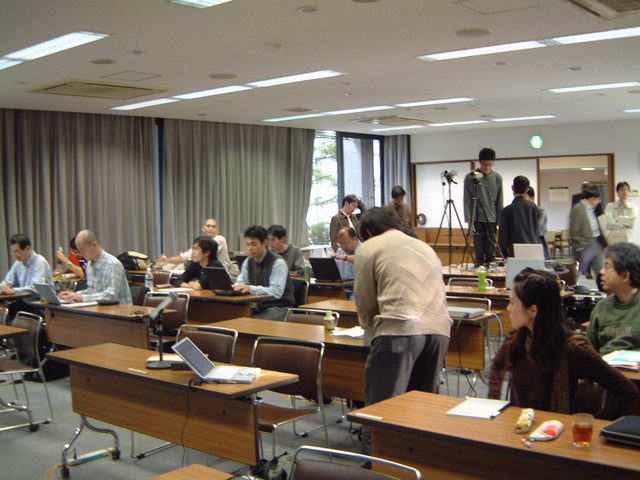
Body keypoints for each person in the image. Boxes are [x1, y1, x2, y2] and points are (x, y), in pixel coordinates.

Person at [355, 207, 452, 452]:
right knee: (422, 410)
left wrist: (369, 331)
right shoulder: (424, 246)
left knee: (379, 412)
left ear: (369, 231)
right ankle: (418, 463)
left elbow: (365, 300)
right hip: (439, 331)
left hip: (399, 331)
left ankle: (375, 465)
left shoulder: (370, 247)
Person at [489, 268, 636, 420]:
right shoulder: (518, 337)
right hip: (520, 425)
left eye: (512, 303)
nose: (508, 308)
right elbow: (497, 367)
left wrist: (594, 425)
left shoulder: (573, 348)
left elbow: (627, 391)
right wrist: (494, 406)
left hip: (555, 428)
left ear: (533, 310)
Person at [586, 243, 640, 354]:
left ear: (625, 276)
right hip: (605, 363)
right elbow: (589, 350)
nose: (601, 272)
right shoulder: (602, 307)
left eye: (607, 267)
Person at [233, 225, 295, 320]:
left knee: (251, 321)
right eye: (247, 244)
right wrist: (235, 287)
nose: (250, 248)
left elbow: (276, 292)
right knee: (233, 315)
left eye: (253, 244)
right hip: (258, 306)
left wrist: (250, 288)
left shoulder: (278, 262)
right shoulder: (248, 261)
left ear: (265, 242)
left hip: (279, 308)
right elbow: (241, 282)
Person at [59, 229, 132, 304]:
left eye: (83, 250)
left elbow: (111, 296)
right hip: (99, 308)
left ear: (94, 244)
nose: (81, 254)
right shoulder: (90, 264)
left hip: (118, 309)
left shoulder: (112, 264)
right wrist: (73, 295)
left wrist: (82, 297)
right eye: (79, 251)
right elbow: (92, 292)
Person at [463, 147, 503, 266]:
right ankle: (479, 268)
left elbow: (499, 200)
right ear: (479, 162)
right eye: (484, 165)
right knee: (479, 253)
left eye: (489, 165)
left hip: (492, 218)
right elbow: (467, 200)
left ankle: (490, 268)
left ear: (493, 162)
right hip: (477, 218)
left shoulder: (497, 178)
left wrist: (499, 220)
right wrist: (469, 220)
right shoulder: (471, 177)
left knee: (491, 252)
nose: (487, 167)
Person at [157, 218, 232, 273]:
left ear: (217, 230)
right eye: (208, 226)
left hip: (221, 273)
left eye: (213, 227)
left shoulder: (220, 239)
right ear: (203, 228)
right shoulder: (200, 241)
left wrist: (169, 260)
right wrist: (168, 260)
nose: (210, 228)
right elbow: (188, 255)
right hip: (205, 272)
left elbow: (191, 255)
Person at [498, 176, 539, 258]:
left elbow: (503, 236)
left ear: (512, 188)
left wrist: (504, 253)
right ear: (527, 190)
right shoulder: (533, 207)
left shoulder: (507, 210)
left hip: (514, 251)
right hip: (532, 248)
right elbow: (536, 228)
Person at [570, 185, 605, 280]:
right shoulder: (579, 208)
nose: (599, 202)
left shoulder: (591, 209)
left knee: (601, 270)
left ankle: (603, 286)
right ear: (592, 198)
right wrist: (581, 244)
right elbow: (574, 230)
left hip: (595, 243)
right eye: (598, 199)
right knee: (581, 272)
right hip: (585, 245)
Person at [329, 227, 360, 300]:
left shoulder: (364, 248)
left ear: (355, 239)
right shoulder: (340, 251)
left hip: (359, 290)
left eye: (345, 243)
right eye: (340, 243)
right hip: (341, 289)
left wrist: (344, 257)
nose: (342, 246)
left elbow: (360, 258)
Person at [524, 186, 550, 259]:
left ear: (532, 198)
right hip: (525, 248)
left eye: (525, 196)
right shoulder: (521, 212)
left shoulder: (541, 211)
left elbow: (538, 230)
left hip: (539, 247)